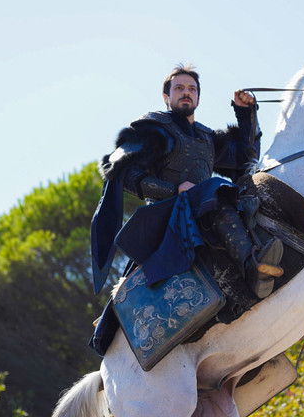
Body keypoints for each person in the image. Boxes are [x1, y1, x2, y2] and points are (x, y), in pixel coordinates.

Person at [91, 64, 283, 302]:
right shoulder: (153, 128)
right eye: (179, 88)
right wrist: (174, 189)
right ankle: (252, 266)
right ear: (166, 96)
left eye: (192, 89)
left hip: (203, 208)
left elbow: (246, 161)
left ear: (198, 97)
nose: (186, 92)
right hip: (166, 216)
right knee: (216, 189)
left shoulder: (206, 137)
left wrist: (245, 114)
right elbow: (121, 171)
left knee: (252, 197)